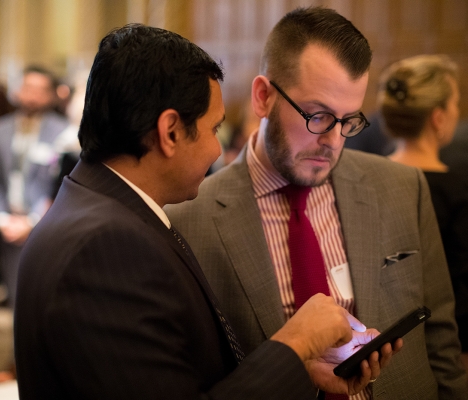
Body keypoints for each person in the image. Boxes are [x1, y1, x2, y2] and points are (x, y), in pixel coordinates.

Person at [14, 23, 397, 400]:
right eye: (214, 129)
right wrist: (296, 344)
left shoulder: (96, 209)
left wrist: (299, 372)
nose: (218, 151)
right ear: (171, 132)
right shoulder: (106, 247)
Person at [165, 7, 468, 400]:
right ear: (263, 97)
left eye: (349, 120)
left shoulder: (401, 187)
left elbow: (442, 343)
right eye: (319, 116)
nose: (334, 140)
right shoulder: (188, 219)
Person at [377, 54, 468, 378]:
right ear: (439, 117)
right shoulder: (459, 189)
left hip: (383, 345)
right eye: (457, 102)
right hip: (450, 346)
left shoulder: (369, 180)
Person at [0, 65, 69, 310]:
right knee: (16, 298)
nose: (32, 95)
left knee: (44, 301)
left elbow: (61, 186)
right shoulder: (0, 129)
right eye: (27, 87)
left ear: (51, 95)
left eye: (40, 89)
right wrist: (1, 218)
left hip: (45, 227)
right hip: (8, 225)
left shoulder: (64, 133)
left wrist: (32, 221)